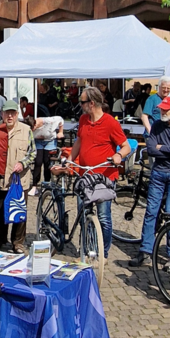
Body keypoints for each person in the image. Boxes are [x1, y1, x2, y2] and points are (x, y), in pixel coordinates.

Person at [57, 87, 130, 259]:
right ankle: (88, 247)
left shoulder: (110, 122)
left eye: (82, 102)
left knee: (104, 217)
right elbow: (79, 142)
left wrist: (119, 155)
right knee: (84, 213)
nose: (80, 105)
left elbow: (126, 146)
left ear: (91, 103)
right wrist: (70, 160)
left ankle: (102, 253)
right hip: (85, 175)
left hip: (104, 177)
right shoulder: (83, 120)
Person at [129, 96, 170, 267]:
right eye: (161, 109)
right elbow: (151, 150)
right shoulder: (158, 125)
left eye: (166, 109)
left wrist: (163, 148)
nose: (162, 112)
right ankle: (145, 251)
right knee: (151, 211)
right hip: (158, 172)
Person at [0, 100, 36, 253]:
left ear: (17, 114)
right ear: (2, 114)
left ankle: (18, 242)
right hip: (1, 178)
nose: (9, 116)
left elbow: (33, 152)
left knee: (19, 211)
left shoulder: (26, 130)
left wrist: (23, 163)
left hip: (19, 179)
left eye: (13, 113)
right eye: (7, 113)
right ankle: (0, 239)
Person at [28, 114, 64, 196]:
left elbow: (61, 119)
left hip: (50, 141)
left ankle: (46, 184)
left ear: (35, 124)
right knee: (38, 162)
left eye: (33, 128)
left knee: (47, 162)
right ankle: (34, 186)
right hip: (38, 141)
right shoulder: (30, 127)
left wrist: (61, 132)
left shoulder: (49, 121)